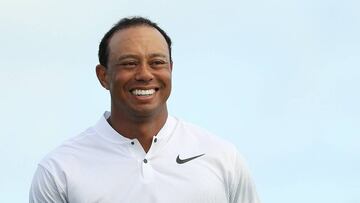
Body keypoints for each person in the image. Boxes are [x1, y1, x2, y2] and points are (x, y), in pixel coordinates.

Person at [29, 16, 260, 203]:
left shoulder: (222, 158)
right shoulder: (59, 170)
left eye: (157, 62)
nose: (145, 74)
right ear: (103, 76)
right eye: (129, 63)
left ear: (170, 69)